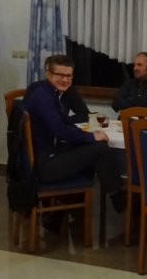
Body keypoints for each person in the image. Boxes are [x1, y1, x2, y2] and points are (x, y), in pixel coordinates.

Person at [23, 55, 122, 217]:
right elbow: (60, 130)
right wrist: (92, 137)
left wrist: (87, 136)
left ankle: (65, 213)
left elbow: (63, 123)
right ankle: (118, 198)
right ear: (48, 74)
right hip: (42, 166)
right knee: (100, 149)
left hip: (44, 156)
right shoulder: (44, 97)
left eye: (69, 76)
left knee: (89, 150)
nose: (65, 80)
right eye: (60, 75)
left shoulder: (49, 92)